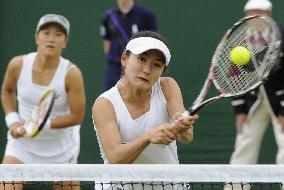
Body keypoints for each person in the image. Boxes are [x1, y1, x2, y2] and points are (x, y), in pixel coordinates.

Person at [0, 14, 86, 190]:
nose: (51, 39)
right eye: (46, 33)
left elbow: (77, 117)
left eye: (58, 35)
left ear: (65, 42)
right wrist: (13, 121)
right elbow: (7, 91)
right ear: (36, 37)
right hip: (22, 146)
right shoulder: (17, 64)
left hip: (61, 150)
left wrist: (38, 125)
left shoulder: (72, 73)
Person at [224, 0, 284, 189]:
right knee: (244, 144)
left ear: (269, 15)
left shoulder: (282, 38)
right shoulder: (240, 41)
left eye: (258, 13)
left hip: (280, 100)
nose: (253, 18)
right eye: (249, 13)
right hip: (253, 101)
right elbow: (235, 77)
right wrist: (240, 111)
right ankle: (235, 186)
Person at [100, 0, 157, 92]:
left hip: (138, 66)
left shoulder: (146, 15)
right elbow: (107, 44)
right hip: (114, 67)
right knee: (107, 100)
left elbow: (153, 43)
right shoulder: (108, 16)